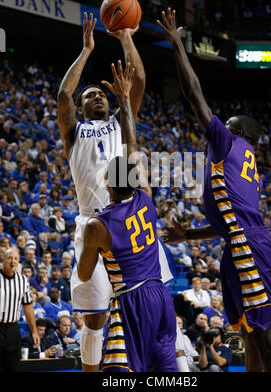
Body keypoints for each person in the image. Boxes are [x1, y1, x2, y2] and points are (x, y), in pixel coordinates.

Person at [158, 8, 271, 372]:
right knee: (247, 331)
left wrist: (177, 45)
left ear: (240, 132)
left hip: (248, 243)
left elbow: (193, 93)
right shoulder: (240, 167)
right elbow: (226, 223)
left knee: (261, 329)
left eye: (228, 124)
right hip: (240, 241)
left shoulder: (230, 144)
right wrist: (188, 234)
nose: (220, 127)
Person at [57, 12, 173, 372]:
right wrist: (87, 50)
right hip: (94, 225)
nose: (97, 98)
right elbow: (63, 94)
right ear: (82, 106)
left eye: (100, 95)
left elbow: (137, 80)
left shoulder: (121, 125)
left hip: (129, 218)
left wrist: (125, 37)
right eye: (89, 96)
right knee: (94, 320)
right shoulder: (74, 133)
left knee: (154, 302)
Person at [77, 61, 177, 372]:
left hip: (132, 299)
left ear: (106, 183)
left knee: (118, 373)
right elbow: (132, 147)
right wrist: (124, 101)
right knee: (165, 371)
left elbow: (83, 275)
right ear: (136, 179)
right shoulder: (146, 199)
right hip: (161, 294)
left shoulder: (98, 225)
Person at [0, 247, 40, 372]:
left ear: (18, 262)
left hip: (13, 328)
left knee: (13, 366)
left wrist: (34, 330)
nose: (12, 261)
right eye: (9, 258)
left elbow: (27, 307)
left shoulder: (22, 280)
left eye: (15, 259)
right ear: (3, 260)